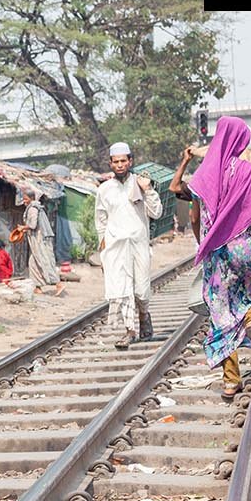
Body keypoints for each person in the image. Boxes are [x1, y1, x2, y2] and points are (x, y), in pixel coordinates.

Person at [174, 116, 251, 401]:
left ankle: (231, 381)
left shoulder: (202, 176)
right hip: (246, 249)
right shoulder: (247, 172)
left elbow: (194, 217)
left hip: (218, 255)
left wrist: (203, 244)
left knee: (222, 313)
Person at [95, 142, 162, 349]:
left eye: (124, 161)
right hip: (115, 246)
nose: (120, 165)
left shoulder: (141, 184)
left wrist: (148, 189)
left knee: (141, 290)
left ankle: (144, 315)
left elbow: (156, 212)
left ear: (130, 161)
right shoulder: (104, 189)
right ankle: (130, 331)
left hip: (139, 244)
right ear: (111, 164)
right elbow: (101, 220)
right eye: (116, 162)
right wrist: (103, 248)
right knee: (122, 289)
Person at [22, 192, 64, 296]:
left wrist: (23, 228)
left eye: (25, 199)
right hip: (37, 239)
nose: (24, 201)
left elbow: (32, 225)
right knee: (33, 263)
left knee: (44, 261)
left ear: (31, 198)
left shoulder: (33, 209)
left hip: (39, 240)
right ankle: (38, 287)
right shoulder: (36, 207)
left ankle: (58, 284)